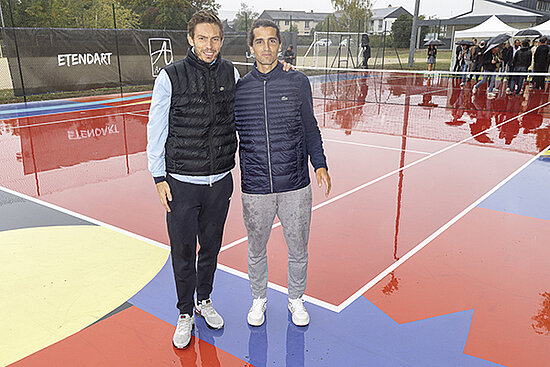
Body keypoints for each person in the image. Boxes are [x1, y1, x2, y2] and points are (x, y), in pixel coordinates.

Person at [146, 10, 239, 349]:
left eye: (215, 39)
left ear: (221, 40)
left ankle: (204, 300)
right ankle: (185, 313)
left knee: (210, 249)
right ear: (190, 39)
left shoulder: (232, 72)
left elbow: (244, 109)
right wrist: (159, 176)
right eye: (202, 38)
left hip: (220, 182)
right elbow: (156, 128)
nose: (209, 45)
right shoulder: (170, 76)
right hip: (182, 183)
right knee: (183, 252)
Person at [234, 19, 332, 328]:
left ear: (280, 45)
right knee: (256, 249)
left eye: (272, 41)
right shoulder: (240, 89)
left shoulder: (297, 81)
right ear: (251, 47)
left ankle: (296, 299)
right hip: (255, 186)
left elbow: (310, 127)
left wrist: (320, 163)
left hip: (295, 185)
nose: (266, 47)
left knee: (299, 248)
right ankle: (258, 299)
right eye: (259, 42)